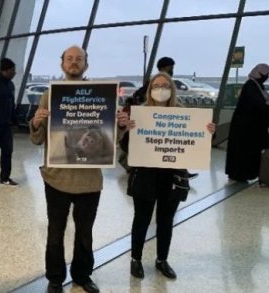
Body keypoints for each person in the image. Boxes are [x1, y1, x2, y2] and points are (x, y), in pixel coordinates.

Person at [30, 45, 129, 293]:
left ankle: (82, 276)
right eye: (70, 59)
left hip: (89, 180)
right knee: (55, 231)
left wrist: (122, 126)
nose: (74, 62)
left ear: (87, 64)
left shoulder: (101, 96)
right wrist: (35, 121)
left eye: (79, 59)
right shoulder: (49, 95)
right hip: (56, 178)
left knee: (85, 233)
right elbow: (37, 139)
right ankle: (54, 278)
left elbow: (113, 140)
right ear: (62, 63)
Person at [120, 72, 216, 280]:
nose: (161, 89)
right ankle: (135, 259)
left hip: (172, 177)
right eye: (156, 85)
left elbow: (196, 142)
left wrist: (208, 132)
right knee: (141, 219)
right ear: (150, 89)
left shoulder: (183, 114)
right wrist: (128, 131)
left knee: (166, 220)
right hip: (145, 175)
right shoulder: (140, 114)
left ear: (172, 89)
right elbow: (126, 147)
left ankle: (162, 259)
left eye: (165, 85)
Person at [127, 57, 199, 179]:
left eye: (166, 86)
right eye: (170, 67)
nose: (172, 70)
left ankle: (182, 171)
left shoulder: (179, 109)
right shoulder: (145, 107)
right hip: (148, 167)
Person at [225, 63, 269, 182]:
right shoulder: (251, 86)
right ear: (259, 74)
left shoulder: (257, 85)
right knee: (245, 151)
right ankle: (240, 174)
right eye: (266, 75)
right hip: (246, 127)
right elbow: (260, 105)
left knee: (256, 147)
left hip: (252, 126)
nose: (267, 77)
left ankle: (250, 173)